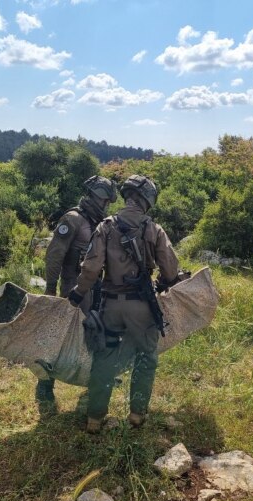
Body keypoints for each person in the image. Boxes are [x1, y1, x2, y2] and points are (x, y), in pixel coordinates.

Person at [68, 174, 179, 433]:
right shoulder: (154, 229)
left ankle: (95, 418)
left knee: (104, 359)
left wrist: (76, 294)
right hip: (142, 306)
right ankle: (137, 415)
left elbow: (91, 268)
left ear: (128, 196)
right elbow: (171, 271)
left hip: (110, 305)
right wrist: (163, 281)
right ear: (147, 199)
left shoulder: (106, 226)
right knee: (146, 358)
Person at [38, 175, 117, 407]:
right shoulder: (73, 219)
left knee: (94, 336)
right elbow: (54, 255)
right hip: (72, 287)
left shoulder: (102, 222)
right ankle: (45, 386)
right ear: (98, 197)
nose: (106, 206)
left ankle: (91, 381)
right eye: (105, 201)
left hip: (98, 288)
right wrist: (50, 288)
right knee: (61, 336)